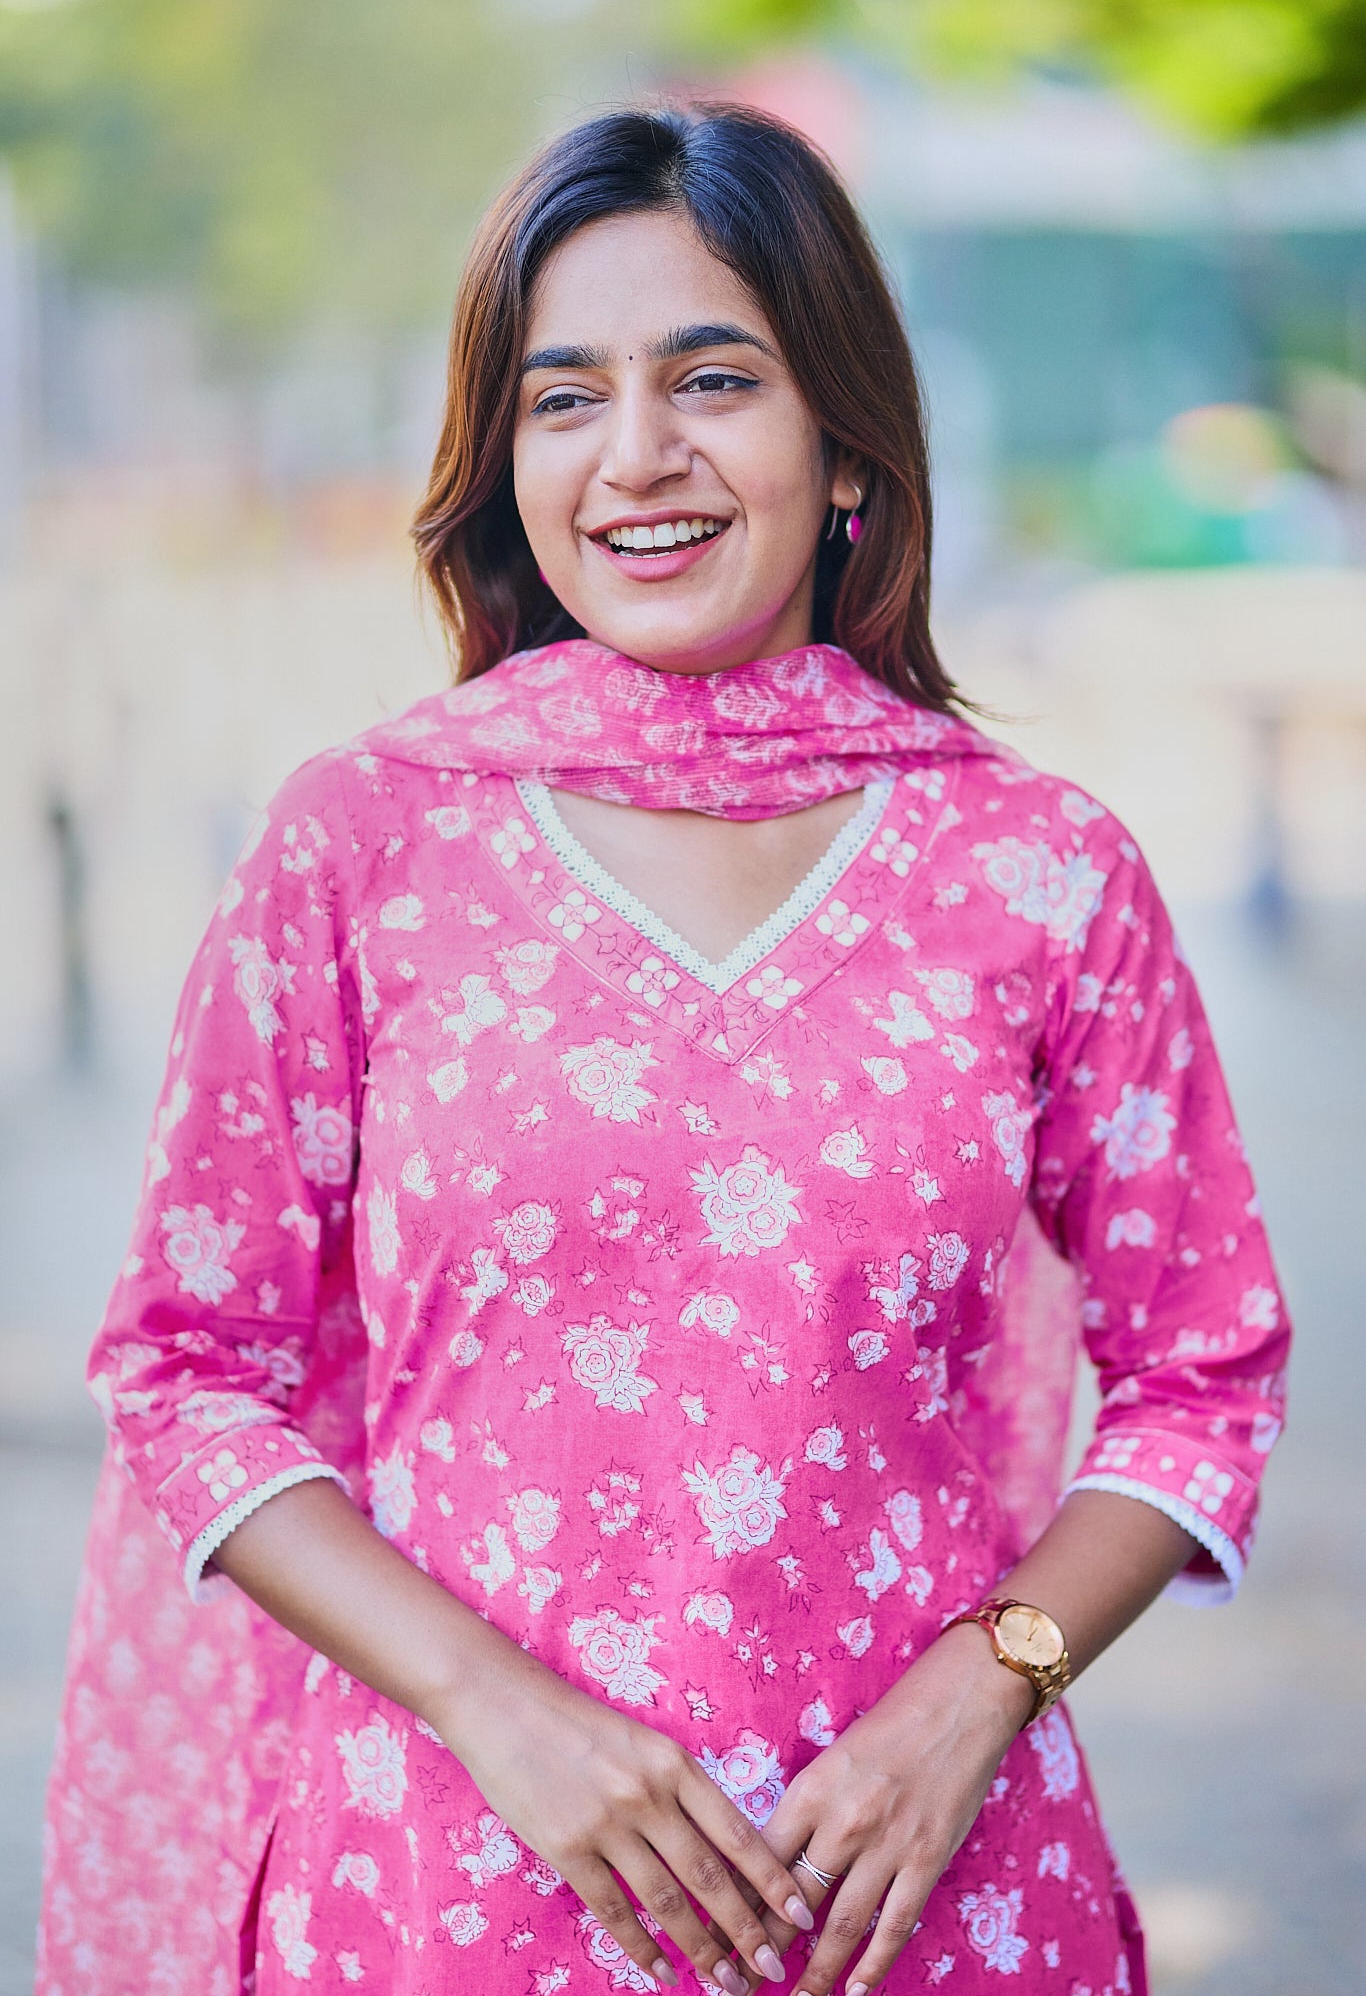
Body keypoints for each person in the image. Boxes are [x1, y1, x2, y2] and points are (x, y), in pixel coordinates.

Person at [38, 104, 1289, 1996]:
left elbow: (1202, 1372)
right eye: (564, 398)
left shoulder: (1030, 872)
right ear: (503, 459)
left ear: (844, 442)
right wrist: (501, 1714)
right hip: (443, 1891)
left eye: (714, 378)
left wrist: (978, 1695)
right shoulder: (369, 846)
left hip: (926, 1900)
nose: (638, 458)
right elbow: (189, 1365)